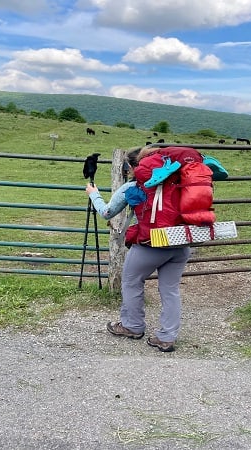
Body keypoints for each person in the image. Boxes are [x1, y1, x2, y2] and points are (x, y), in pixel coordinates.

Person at [85, 149, 190, 353]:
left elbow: (107, 213)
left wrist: (94, 195)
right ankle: (167, 338)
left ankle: (132, 326)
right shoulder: (179, 183)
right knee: (170, 290)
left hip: (151, 245)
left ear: (134, 167)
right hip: (180, 244)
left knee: (132, 282)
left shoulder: (134, 186)